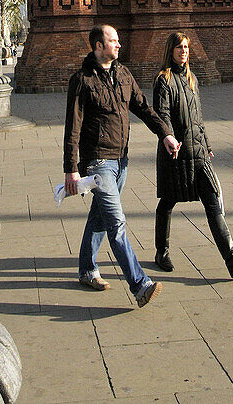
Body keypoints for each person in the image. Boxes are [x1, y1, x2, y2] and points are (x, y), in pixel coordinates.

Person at [63, 24, 179, 307]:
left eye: (118, 40)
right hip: (99, 162)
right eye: (113, 41)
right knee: (116, 223)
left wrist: (164, 132)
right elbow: (73, 127)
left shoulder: (123, 74)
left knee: (99, 217)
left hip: (121, 160)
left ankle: (87, 270)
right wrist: (71, 168)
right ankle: (140, 285)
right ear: (98, 46)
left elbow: (142, 107)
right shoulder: (82, 80)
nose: (119, 44)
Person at [152, 33, 233, 279]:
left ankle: (232, 260)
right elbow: (163, 115)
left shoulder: (192, 79)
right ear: (170, 50)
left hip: (198, 152)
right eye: (179, 47)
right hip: (176, 153)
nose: (184, 51)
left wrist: (207, 143)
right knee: (168, 201)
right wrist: (168, 137)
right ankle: (162, 251)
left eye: (186, 47)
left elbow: (197, 118)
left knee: (213, 202)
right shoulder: (163, 80)